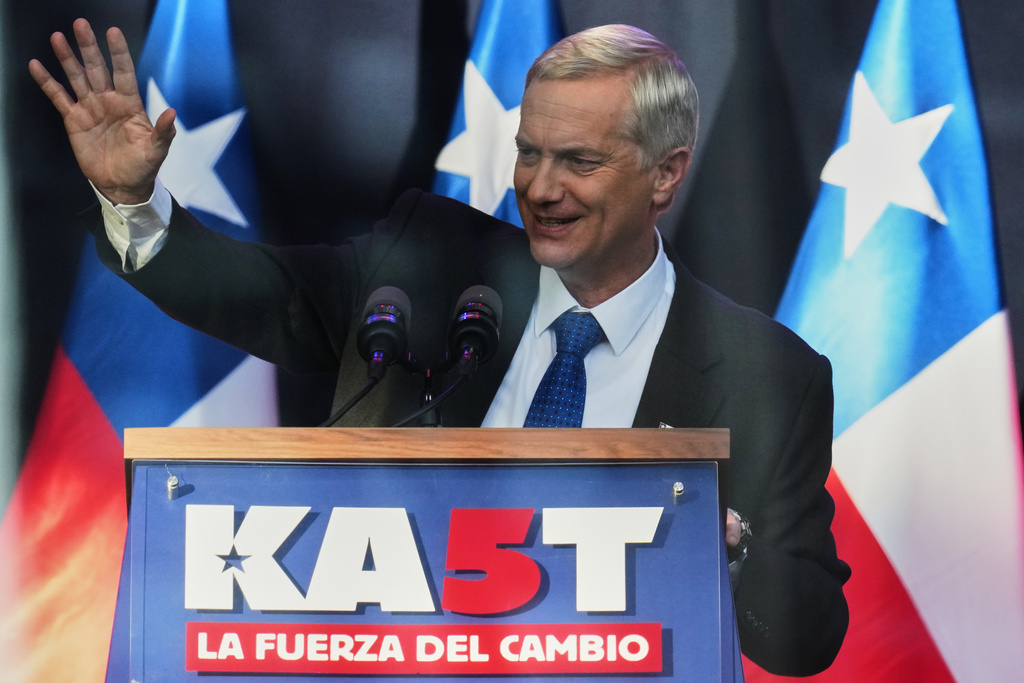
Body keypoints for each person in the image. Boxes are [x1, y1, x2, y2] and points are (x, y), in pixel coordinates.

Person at [30, 19, 850, 675]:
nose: (539, 186)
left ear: (666, 175)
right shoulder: (431, 262)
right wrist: (133, 200)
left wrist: (724, 543)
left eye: (579, 161)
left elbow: (807, 631)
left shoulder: (767, 374)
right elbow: (258, 295)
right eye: (529, 151)